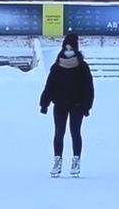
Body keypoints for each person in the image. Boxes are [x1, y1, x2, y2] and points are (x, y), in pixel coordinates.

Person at [40, 33, 95, 178]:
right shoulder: (57, 66)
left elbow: (89, 87)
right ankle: (57, 161)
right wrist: (44, 102)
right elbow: (50, 85)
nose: (68, 49)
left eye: (71, 47)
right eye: (66, 46)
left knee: (75, 132)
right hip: (60, 104)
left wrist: (87, 105)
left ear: (76, 48)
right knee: (59, 132)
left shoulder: (82, 67)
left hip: (77, 105)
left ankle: (76, 161)